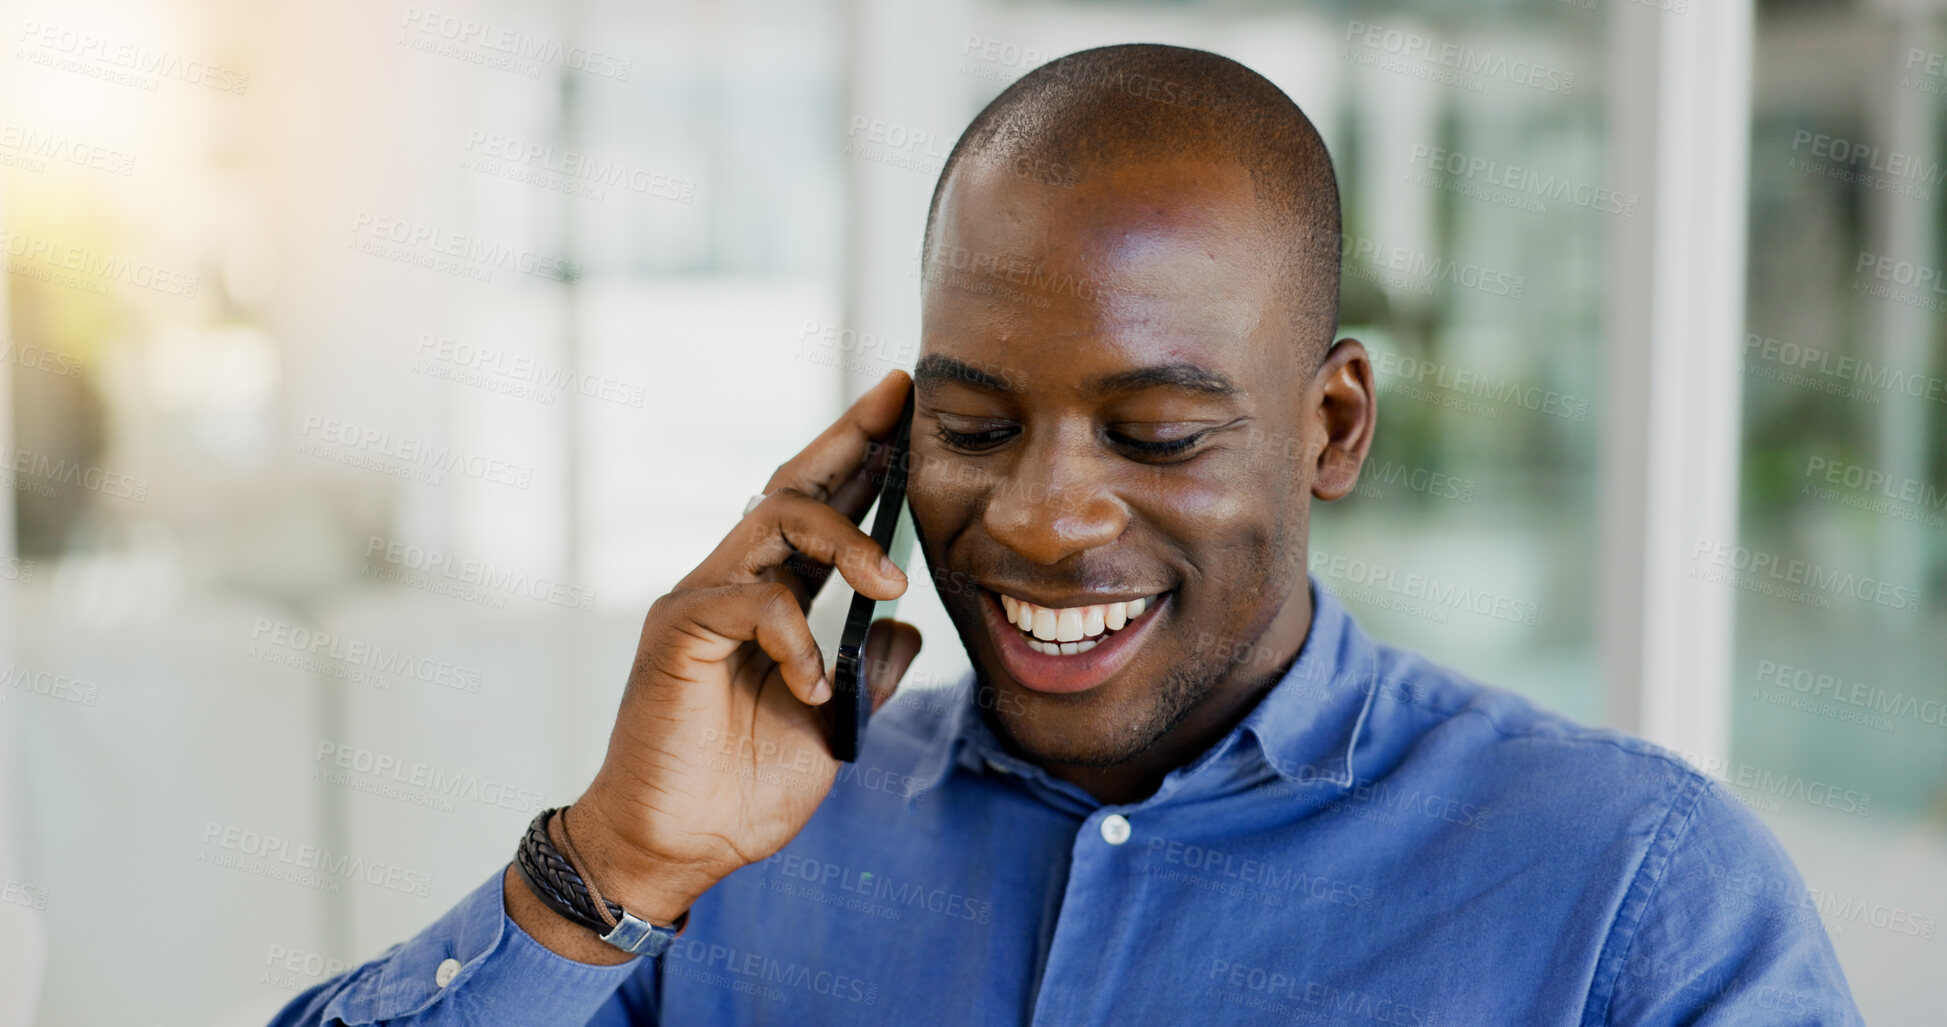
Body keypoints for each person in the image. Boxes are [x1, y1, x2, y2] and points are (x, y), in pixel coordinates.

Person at [272, 44, 1861, 1026]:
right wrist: (610, 863)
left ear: (1334, 429)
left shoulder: (1632, 895)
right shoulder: (754, 838)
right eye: (970, 428)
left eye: (1158, 434)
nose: (1040, 516)